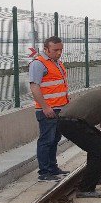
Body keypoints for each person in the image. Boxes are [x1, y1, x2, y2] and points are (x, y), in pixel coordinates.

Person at [29, 36, 70, 181]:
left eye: (61, 50)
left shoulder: (57, 63)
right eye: (55, 50)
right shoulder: (38, 64)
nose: (59, 53)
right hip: (48, 110)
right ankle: (44, 172)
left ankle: (53, 168)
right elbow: (34, 88)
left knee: (54, 139)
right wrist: (45, 107)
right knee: (46, 140)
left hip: (60, 108)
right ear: (46, 49)